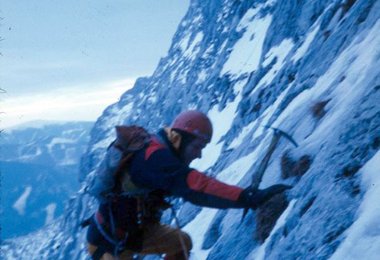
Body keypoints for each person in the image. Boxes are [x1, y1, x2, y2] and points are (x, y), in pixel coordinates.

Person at [86, 110, 291, 260]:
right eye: (198, 146)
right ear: (181, 139)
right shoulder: (153, 158)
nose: (199, 153)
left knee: (181, 242)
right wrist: (248, 197)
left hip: (136, 233)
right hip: (109, 243)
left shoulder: (161, 151)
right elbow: (197, 186)